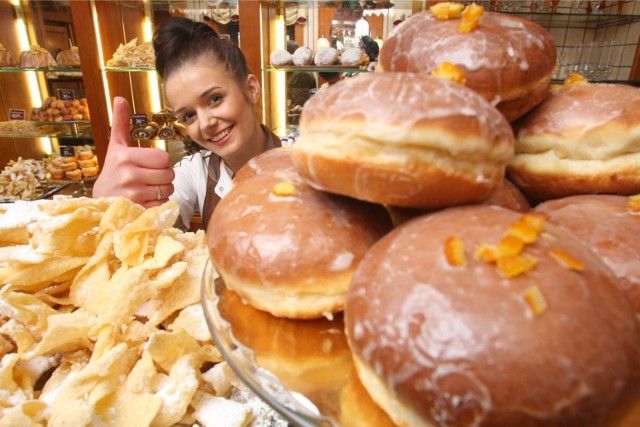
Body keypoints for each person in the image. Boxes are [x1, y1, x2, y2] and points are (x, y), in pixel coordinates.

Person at [93, 17, 284, 230]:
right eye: (189, 116)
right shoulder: (193, 172)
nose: (205, 123)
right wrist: (110, 208)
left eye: (215, 99)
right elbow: (159, 224)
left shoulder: (305, 159)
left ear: (251, 89)